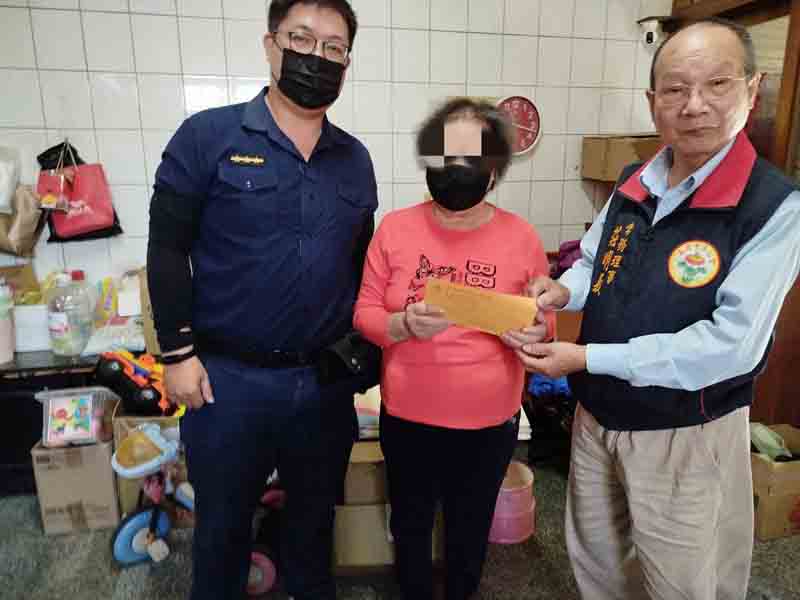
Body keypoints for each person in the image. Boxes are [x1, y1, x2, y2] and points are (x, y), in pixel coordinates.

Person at [518, 17, 800, 600]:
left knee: (682, 578)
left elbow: (729, 346)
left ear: (752, 90)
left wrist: (585, 358)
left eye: (717, 84)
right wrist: (563, 290)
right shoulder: (635, 181)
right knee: (598, 562)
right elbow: (595, 260)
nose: (694, 105)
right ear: (653, 103)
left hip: (685, 430)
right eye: (675, 89)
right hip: (597, 416)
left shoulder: (774, 207)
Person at [146, 1, 378, 598]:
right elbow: (167, 248)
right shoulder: (207, 137)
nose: (317, 57)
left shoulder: (355, 160)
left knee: (313, 527)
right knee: (222, 530)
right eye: (302, 39)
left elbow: (361, 265)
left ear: (347, 63)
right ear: (271, 45)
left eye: (334, 47)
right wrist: (177, 354)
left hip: (323, 384)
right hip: (227, 382)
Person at [354, 98, 556, 600]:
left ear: (495, 170)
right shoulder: (395, 229)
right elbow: (364, 313)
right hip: (409, 417)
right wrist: (401, 324)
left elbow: (543, 324)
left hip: (488, 424)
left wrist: (534, 332)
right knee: (411, 524)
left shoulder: (521, 237)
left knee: (470, 529)